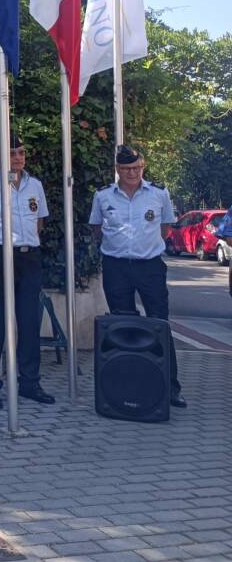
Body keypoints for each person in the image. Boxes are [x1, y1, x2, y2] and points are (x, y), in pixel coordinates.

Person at [90, 144, 185, 408]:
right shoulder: (103, 196)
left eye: (136, 167)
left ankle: (170, 388)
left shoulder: (158, 193)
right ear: (117, 169)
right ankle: (128, 386)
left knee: (160, 324)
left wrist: (145, 247)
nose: (132, 172)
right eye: (126, 168)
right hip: (116, 267)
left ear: (142, 167)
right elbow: (97, 228)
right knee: (123, 327)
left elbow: (165, 227)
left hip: (149, 267)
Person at [0, 137, 54, 410]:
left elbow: (39, 221)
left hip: (29, 257)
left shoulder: (35, 185)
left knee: (29, 321)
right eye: (12, 152)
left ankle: (29, 383)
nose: (18, 157)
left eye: (21, 152)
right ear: (1, 154)